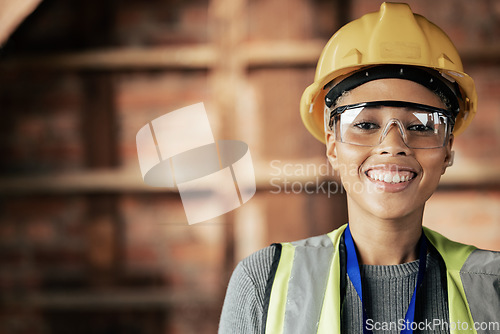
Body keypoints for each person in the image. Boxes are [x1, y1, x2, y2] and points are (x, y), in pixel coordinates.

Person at [219, 3, 500, 333]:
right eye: (365, 123)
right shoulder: (264, 282)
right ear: (332, 146)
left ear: (448, 149)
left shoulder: (492, 285)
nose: (393, 144)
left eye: (422, 125)